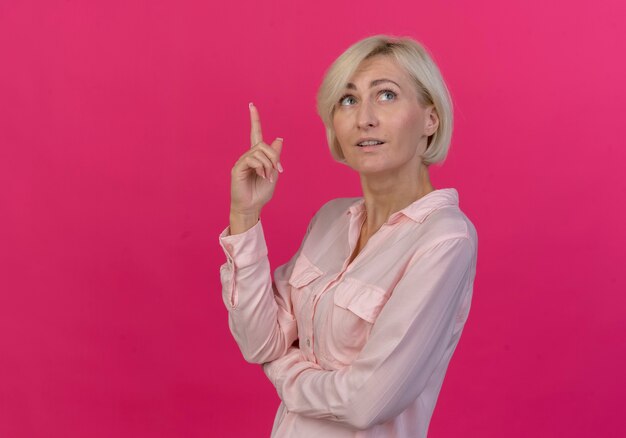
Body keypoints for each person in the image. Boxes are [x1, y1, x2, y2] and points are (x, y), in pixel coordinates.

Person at [219, 34, 478, 437]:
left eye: (387, 95)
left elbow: (365, 403)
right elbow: (259, 341)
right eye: (348, 100)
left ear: (431, 118)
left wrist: (284, 370)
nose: (364, 119)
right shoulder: (331, 219)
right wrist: (245, 214)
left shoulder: (444, 239)